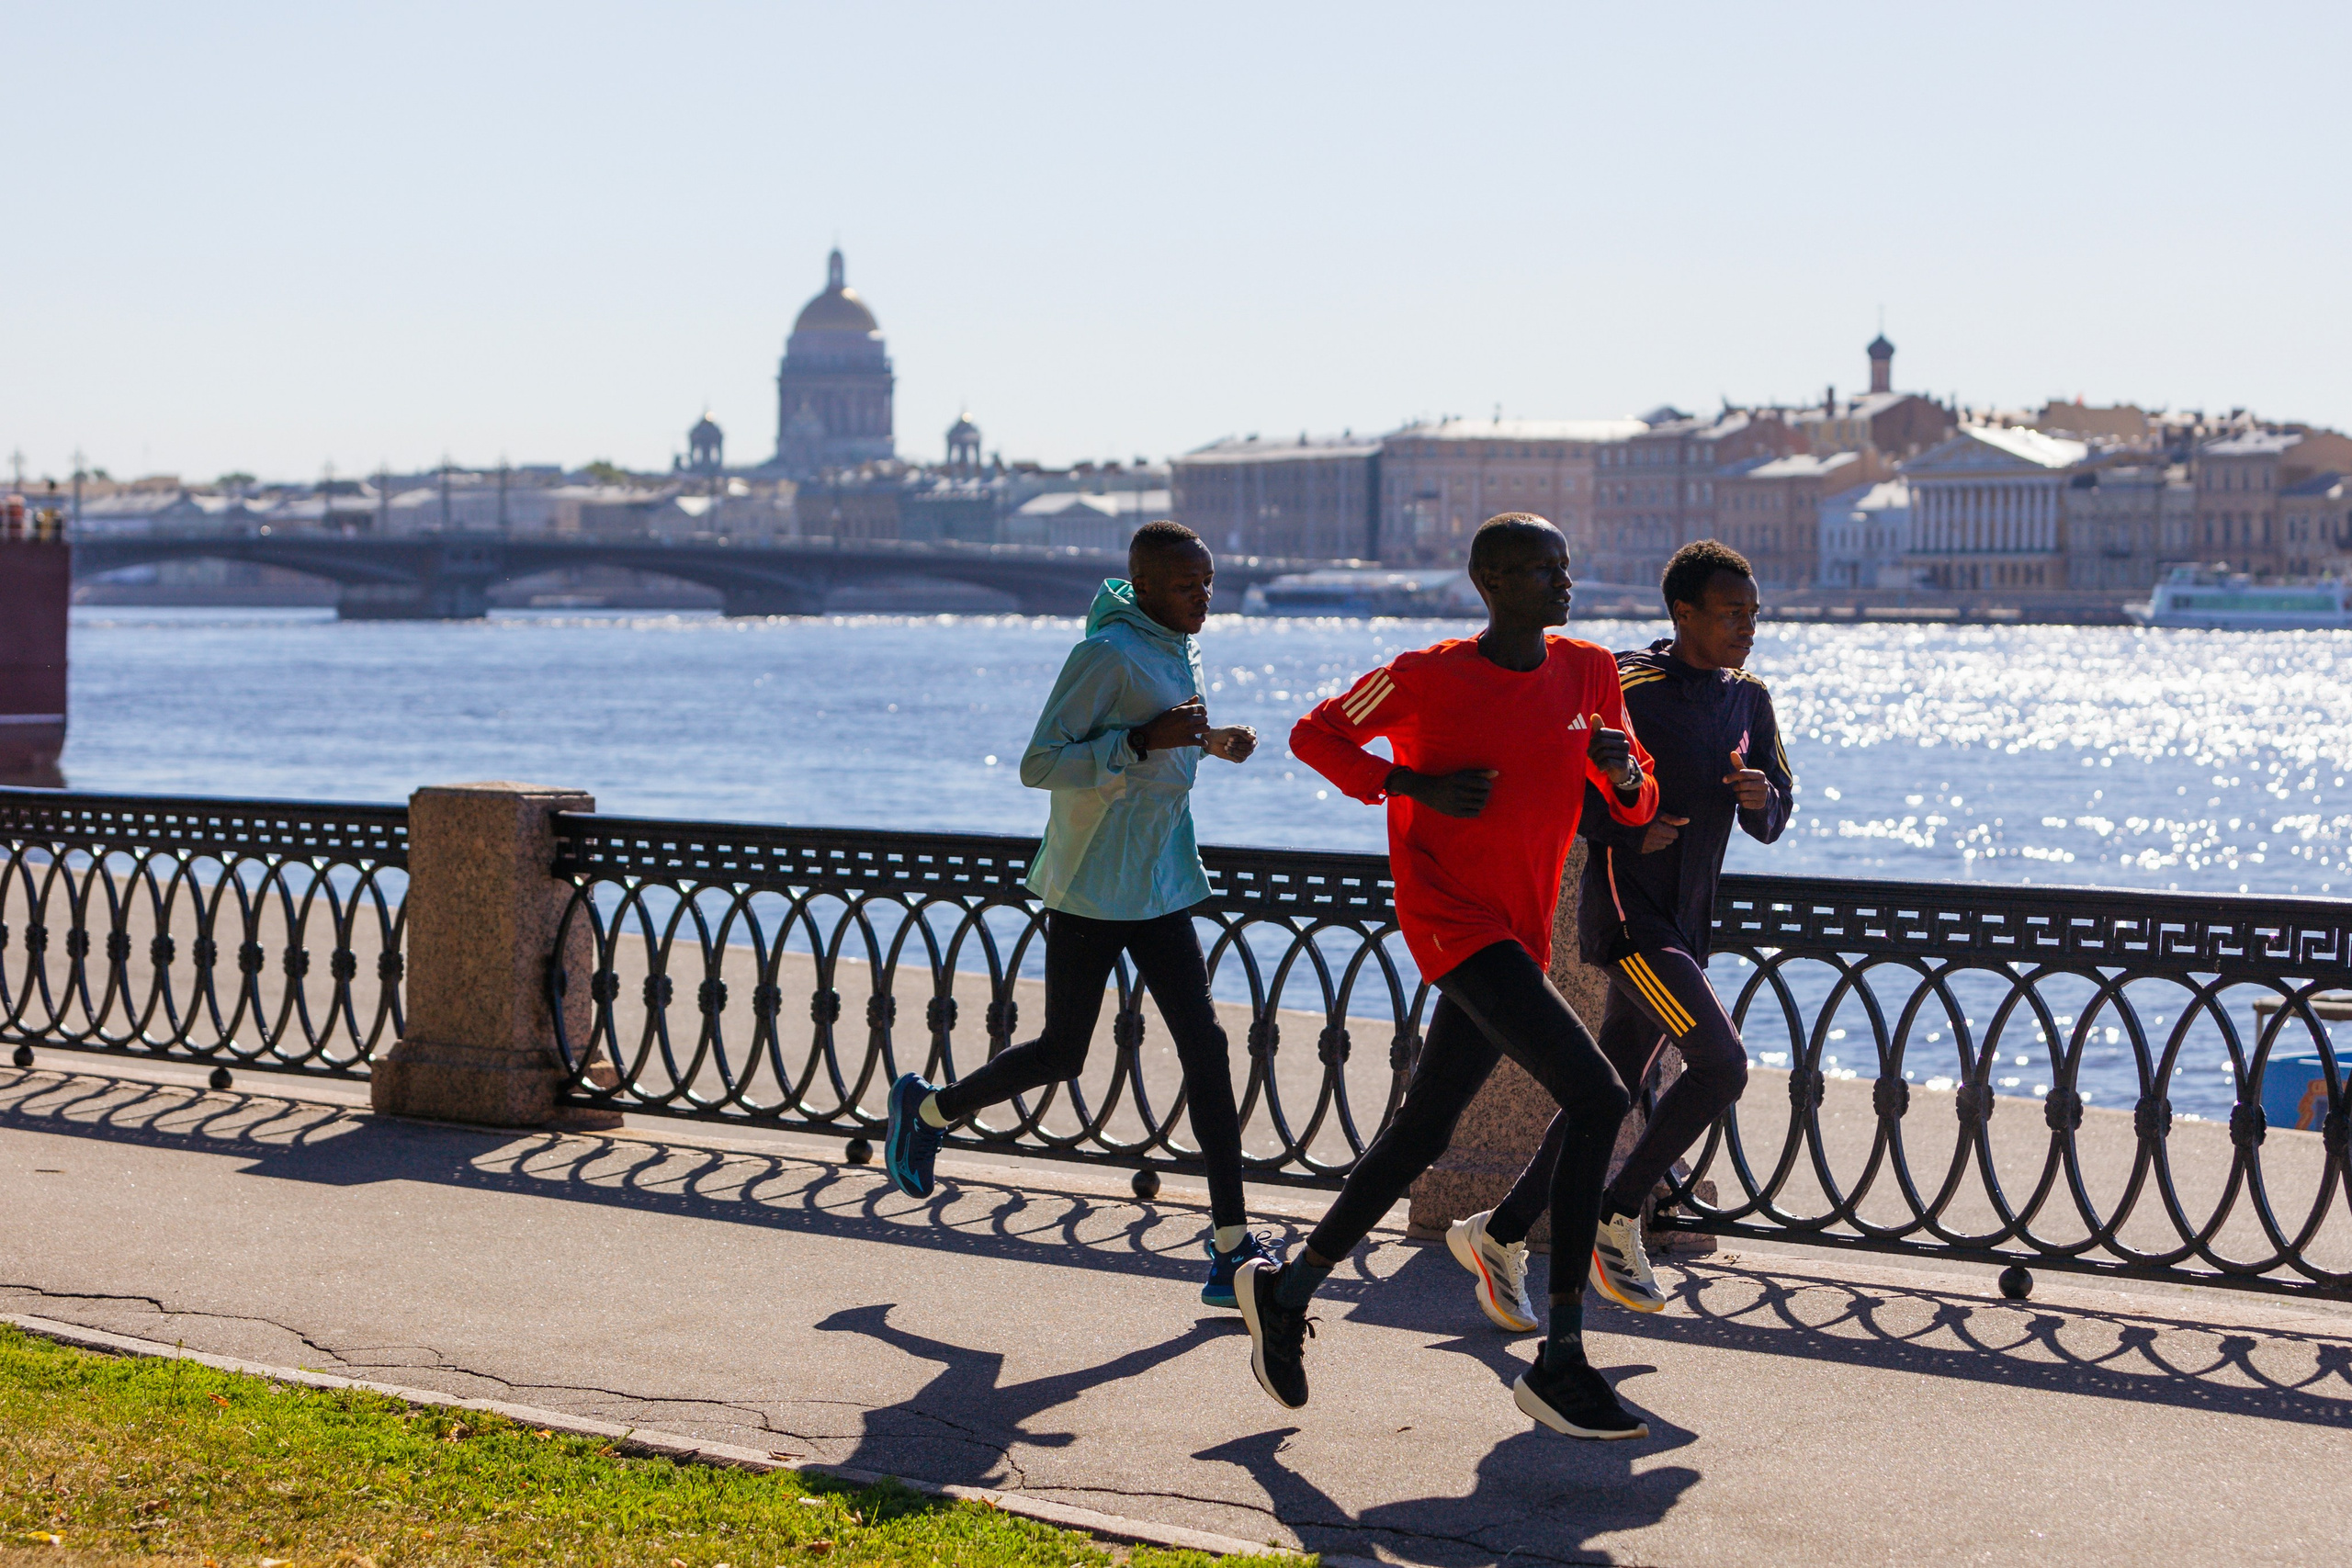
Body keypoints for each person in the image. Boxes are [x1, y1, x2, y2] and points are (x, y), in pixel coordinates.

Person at [1236, 513, 1661, 1440]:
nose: (1563, 582)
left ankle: (1287, 1288)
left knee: (1423, 1128)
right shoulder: (1424, 676)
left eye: (1564, 565)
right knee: (1596, 1094)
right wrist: (1409, 786)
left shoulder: (1588, 669)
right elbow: (1316, 737)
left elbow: (1636, 792)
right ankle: (1561, 1358)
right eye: (1541, 570)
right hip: (1450, 920)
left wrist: (1622, 770)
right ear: (1491, 583)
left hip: (1519, 930)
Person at [884, 520, 1284, 1309]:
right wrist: (1142, 740)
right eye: (1184, 584)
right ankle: (927, 1110)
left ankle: (1230, 1248)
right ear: (1141, 586)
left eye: (1207, 582)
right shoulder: (1103, 654)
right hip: (1094, 887)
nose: (1202, 596)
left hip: (1162, 881)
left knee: (1207, 1050)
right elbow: (1041, 764)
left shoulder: (1176, 642)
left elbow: (1164, 734)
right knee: (1063, 1051)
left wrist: (1210, 740)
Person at [1446, 538, 1794, 1333]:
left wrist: (1757, 795)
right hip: (1628, 917)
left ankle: (1497, 1234)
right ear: (1683, 612)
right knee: (1722, 1063)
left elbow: (1778, 813)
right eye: (1731, 612)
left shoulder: (1750, 696)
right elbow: (1558, 778)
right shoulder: (1626, 681)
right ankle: (1617, 1215)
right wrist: (1626, 828)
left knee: (1599, 1094)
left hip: (1688, 924)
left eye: (1753, 613)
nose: (1747, 625)